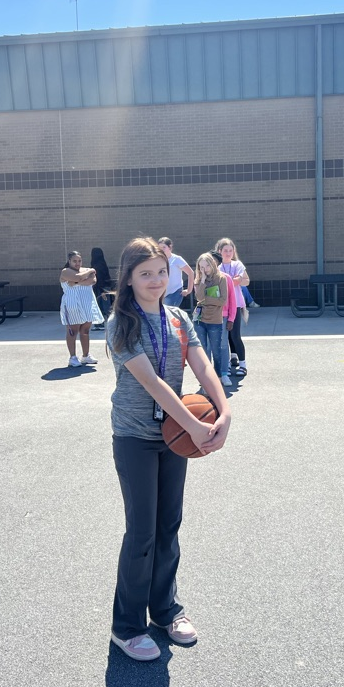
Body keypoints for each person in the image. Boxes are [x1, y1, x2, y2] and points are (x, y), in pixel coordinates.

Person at [106, 236, 231, 661]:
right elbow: (153, 383)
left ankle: (165, 609)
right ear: (128, 278)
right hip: (136, 437)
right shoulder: (120, 324)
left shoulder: (178, 318)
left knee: (168, 526)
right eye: (145, 274)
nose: (156, 280)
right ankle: (126, 627)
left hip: (174, 438)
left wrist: (224, 411)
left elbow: (203, 365)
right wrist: (195, 426)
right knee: (142, 531)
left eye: (161, 272)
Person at [60, 250, 103, 367]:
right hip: (72, 304)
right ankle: (73, 357)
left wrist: (76, 282)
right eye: (74, 261)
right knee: (72, 331)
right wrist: (88, 272)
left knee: (85, 331)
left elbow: (92, 280)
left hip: (87, 303)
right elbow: (78, 277)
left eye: (79, 260)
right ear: (69, 261)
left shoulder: (86, 270)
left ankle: (86, 355)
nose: (77, 263)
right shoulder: (65, 271)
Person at [214, 237, 250, 377]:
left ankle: (243, 364)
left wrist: (238, 280)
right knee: (225, 336)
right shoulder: (217, 267)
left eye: (230, 250)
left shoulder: (237, 265)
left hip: (236, 304)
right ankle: (228, 363)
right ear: (220, 251)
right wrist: (232, 280)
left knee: (235, 335)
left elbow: (245, 281)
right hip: (222, 306)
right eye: (225, 250)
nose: (228, 253)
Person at [193, 253, 228, 384]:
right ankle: (205, 379)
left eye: (207, 266)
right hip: (199, 319)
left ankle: (218, 377)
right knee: (203, 351)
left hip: (214, 320)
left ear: (212, 264)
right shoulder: (198, 280)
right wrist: (202, 280)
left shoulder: (221, 278)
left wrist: (206, 300)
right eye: (201, 267)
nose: (205, 269)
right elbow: (199, 298)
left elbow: (222, 301)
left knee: (216, 351)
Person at [210, 250, 236, 387]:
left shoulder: (226, 278)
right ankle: (209, 376)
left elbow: (232, 300)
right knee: (207, 346)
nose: (211, 264)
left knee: (223, 345)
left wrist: (231, 318)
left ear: (219, 263)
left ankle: (224, 373)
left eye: (214, 261)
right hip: (207, 317)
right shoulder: (203, 279)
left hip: (223, 316)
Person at [158, 237, 194, 307]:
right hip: (162, 293)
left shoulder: (176, 259)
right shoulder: (158, 260)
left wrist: (189, 290)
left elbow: (190, 273)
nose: (162, 250)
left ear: (170, 247)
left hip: (174, 292)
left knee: (169, 312)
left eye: (164, 247)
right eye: (160, 248)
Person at [90, 247, 114, 330]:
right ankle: (107, 323)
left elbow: (99, 279)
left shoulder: (97, 266)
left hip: (101, 288)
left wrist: (102, 291)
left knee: (101, 306)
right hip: (104, 287)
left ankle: (100, 324)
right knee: (105, 306)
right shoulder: (102, 264)